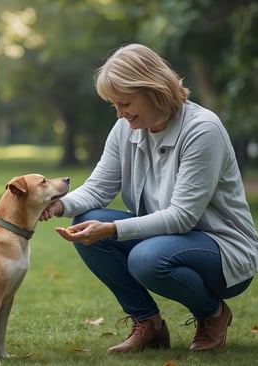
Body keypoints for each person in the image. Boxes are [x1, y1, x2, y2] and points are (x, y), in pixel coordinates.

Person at [40, 43, 258, 353]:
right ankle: (149, 325)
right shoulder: (124, 128)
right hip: (164, 239)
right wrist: (57, 205)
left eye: (125, 102)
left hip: (222, 249)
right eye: (113, 105)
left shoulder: (202, 129)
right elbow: (99, 187)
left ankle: (213, 314)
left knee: (147, 258)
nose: (119, 113)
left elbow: (182, 216)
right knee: (86, 223)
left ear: (153, 89)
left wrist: (114, 230)